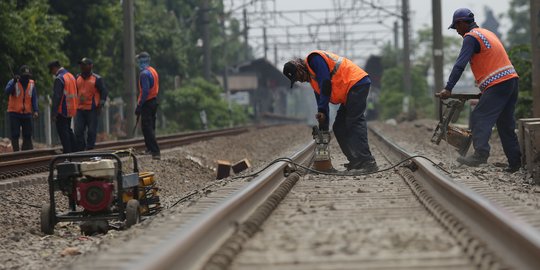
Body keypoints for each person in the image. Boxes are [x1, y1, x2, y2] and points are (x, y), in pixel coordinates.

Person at [437, 8, 521, 173]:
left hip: (498, 83)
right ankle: (516, 162)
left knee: (479, 116)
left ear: (461, 23)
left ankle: (480, 154)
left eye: (456, 27)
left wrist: (448, 88)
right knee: (505, 124)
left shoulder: (471, 37)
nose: (457, 32)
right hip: (511, 80)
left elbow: (460, 64)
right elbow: (492, 60)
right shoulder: (487, 33)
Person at [283, 50, 378, 172]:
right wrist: (323, 128)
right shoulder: (314, 81)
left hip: (356, 82)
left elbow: (326, 84)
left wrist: (322, 110)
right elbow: (322, 105)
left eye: (298, 77)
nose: (300, 81)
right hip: (349, 91)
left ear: (300, 69)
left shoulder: (314, 59)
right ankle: (356, 162)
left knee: (354, 122)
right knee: (338, 127)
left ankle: (368, 162)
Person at [75, 57, 108, 151]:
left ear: (90, 66)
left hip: (92, 109)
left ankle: (89, 149)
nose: (82, 67)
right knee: (78, 131)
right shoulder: (77, 78)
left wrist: (100, 105)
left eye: (84, 65)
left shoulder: (97, 79)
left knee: (91, 131)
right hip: (80, 109)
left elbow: (104, 92)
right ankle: (81, 149)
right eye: (81, 65)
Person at [3, 65, 38, 151]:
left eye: (28, 76)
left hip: (27, 113)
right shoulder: (13, 82)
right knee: (15, 134)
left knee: (28, 134)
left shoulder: (31, 84)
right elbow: (7, 91)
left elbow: (34, 98)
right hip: (14, 113)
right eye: (24, 76)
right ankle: (16, 152)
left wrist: (36, 110)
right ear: (20, 75)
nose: (26, 78)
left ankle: (26, 152)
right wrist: (14, 82)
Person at [48, 60, 78, 153]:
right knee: (68, 130)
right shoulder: (71, 76)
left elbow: (57, 96)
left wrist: (54, 113)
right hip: (71, 108)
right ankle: (75, 150)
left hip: (62, 109)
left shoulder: (59, 78)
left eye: (51, 70)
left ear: (54, 68)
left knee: (63, 132)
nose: (52, 73)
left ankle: (68, 152)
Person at [135, 52, 160, 160]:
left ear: (141, 60)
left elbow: (145, 91)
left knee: (147, 127)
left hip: (147, 102)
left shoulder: (144, 74)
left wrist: (140, 105)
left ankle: (155, 151)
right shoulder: (152, 70)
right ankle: (150, 148)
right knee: (151, 126)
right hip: (153, 101)